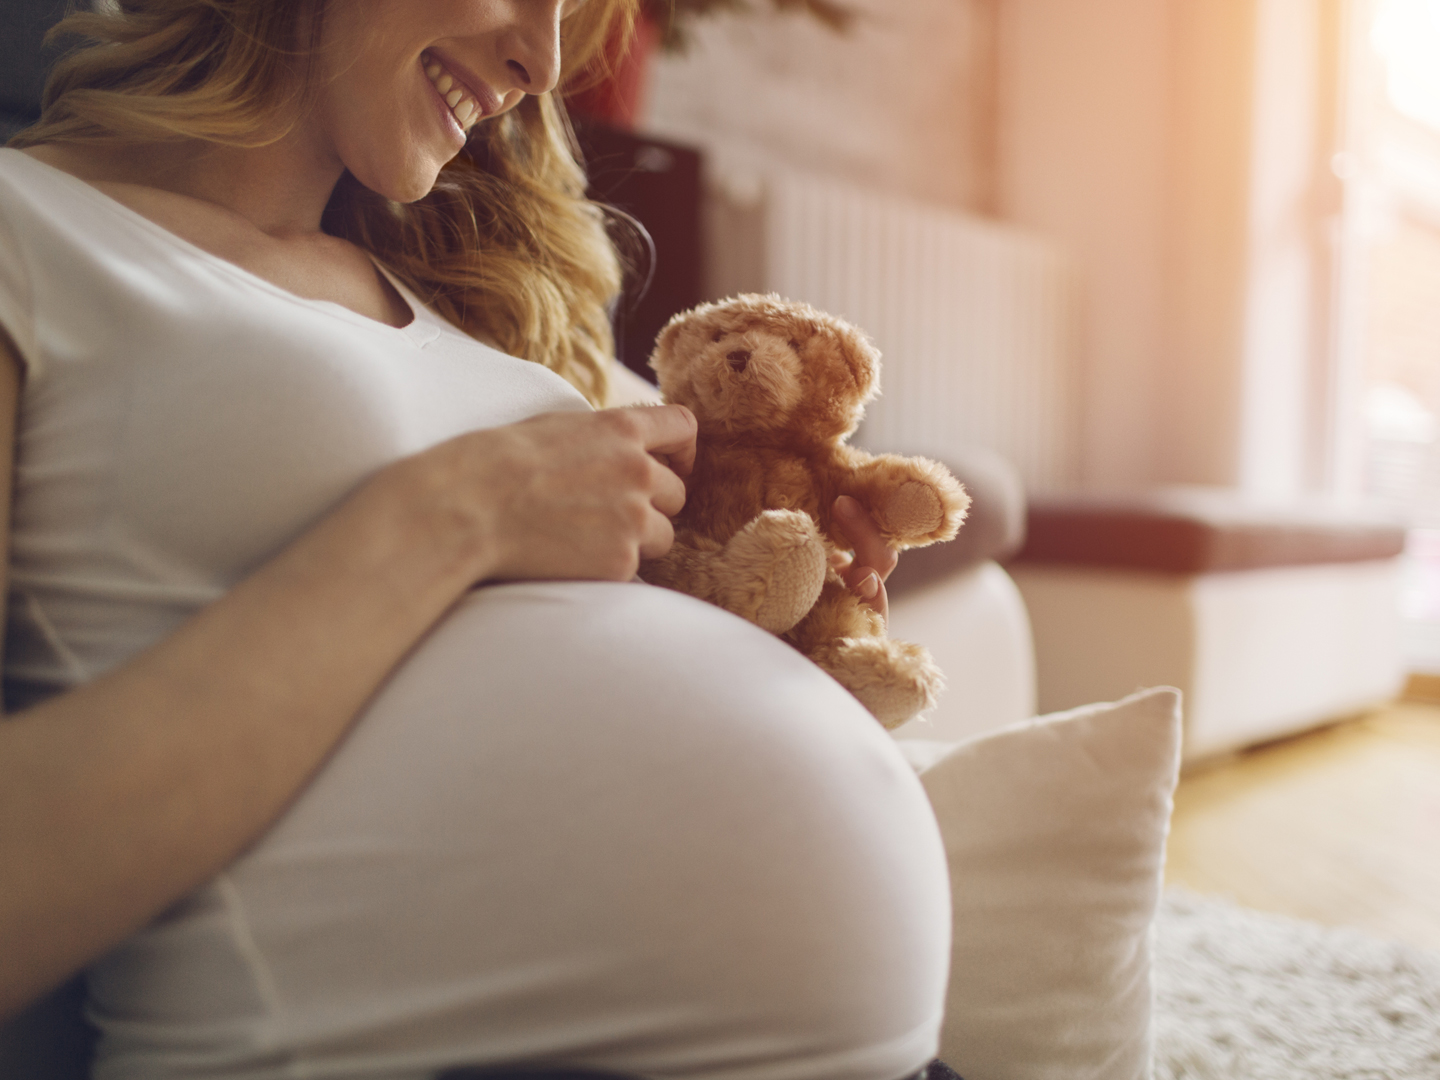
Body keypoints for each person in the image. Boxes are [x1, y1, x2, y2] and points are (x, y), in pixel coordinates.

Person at [0, 1, 953, 1077]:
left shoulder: (455, 292)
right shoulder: (28, 231)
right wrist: (453, 515)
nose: (541, 61)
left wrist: (782, 574)